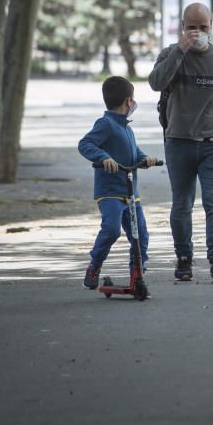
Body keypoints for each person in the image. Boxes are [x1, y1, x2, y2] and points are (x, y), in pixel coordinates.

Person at [148, 3, 213, 284]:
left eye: (203, 27)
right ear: (183, 27)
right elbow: (155, 82)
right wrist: (180, 50)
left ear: (211, 26)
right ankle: (184, 258)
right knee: (182, 204)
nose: (198, 32)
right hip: (178, 142)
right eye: (192, 27)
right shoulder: (170, 54)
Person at [78, 77, 160, 289]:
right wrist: (103, 158)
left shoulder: (127, 128)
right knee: (112, 229)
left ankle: (137, 274)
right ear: (127, 101)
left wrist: (145, 159)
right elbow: (85, 144)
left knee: (140, 235)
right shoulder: (105, 124)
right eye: (133, 100)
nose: (134, 104)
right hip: (110, 191)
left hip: (131, 193)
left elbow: (134, 154)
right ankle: (94, 265)